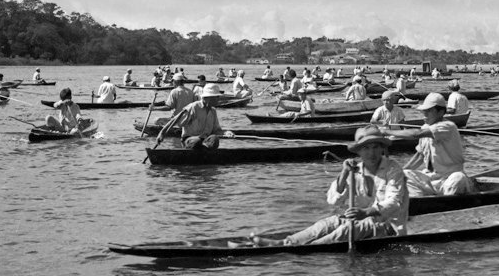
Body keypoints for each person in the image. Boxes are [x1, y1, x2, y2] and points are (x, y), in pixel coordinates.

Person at [250, 126, 409, 246]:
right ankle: (285, 243)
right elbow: (334, 201)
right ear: (359, 151)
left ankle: (303, 249)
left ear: (382, 148)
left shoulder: (393, 169)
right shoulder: (355, 169)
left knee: (346, 230)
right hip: (361, 220)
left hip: (388, 226)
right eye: (366, 148)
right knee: (327, 223)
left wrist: (365, 212)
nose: (371, 153)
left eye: (375, 147)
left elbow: (394, 202)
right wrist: (344, 174)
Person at [402, 93, 475, 197]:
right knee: (405, 175)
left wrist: (386, 132)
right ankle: (419, 202)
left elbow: (415, 134)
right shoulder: (425, 128)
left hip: (448, 178)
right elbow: (420, 155)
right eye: (424, 111)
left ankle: (447, 204)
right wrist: (399, 172)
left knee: (459, 178)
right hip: (431, 179)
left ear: (440, 112)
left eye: (428, 111)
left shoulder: (448, 126)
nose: (424, 113)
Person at [156, 84, 233, 150]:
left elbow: (216, 131)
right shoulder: (193, 107)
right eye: (216, 97)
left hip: (205, 141)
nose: (218, 100)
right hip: (189, 140)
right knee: (197, 141)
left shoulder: (213, 111)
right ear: (208, 98)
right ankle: (203, 148)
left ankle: (204, 149)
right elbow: (175, 120)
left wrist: (226, 132)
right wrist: (162, 133)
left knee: (215, 139)